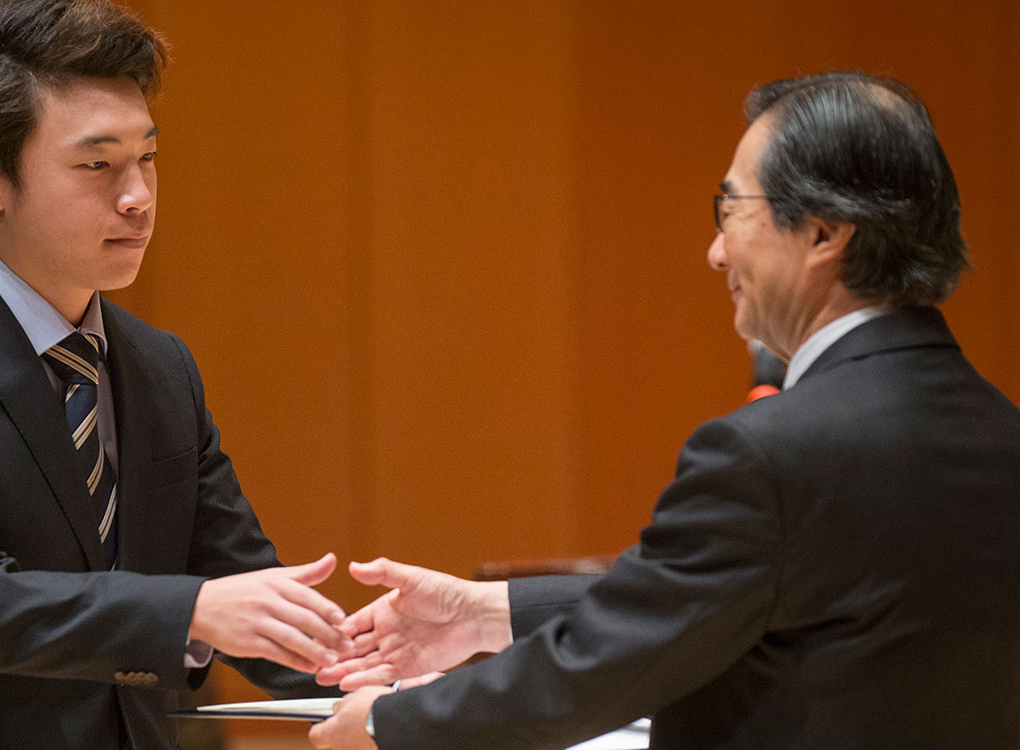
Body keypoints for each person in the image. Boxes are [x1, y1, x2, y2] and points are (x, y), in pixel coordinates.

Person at [309, 71, 1020, 750]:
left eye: (730, 211)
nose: (715, 253)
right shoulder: (998, 432)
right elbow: (736, 600)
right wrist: (487, 613)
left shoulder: (766, 455)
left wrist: (392, 723)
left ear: (824, 233)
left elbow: (603, 669)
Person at [0, 2, 347, 747]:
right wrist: (191, 612)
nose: (136, 196)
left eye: (148, 158)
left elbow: (244, 590)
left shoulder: (161, 365)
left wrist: (395, 682)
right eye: (97, 164)